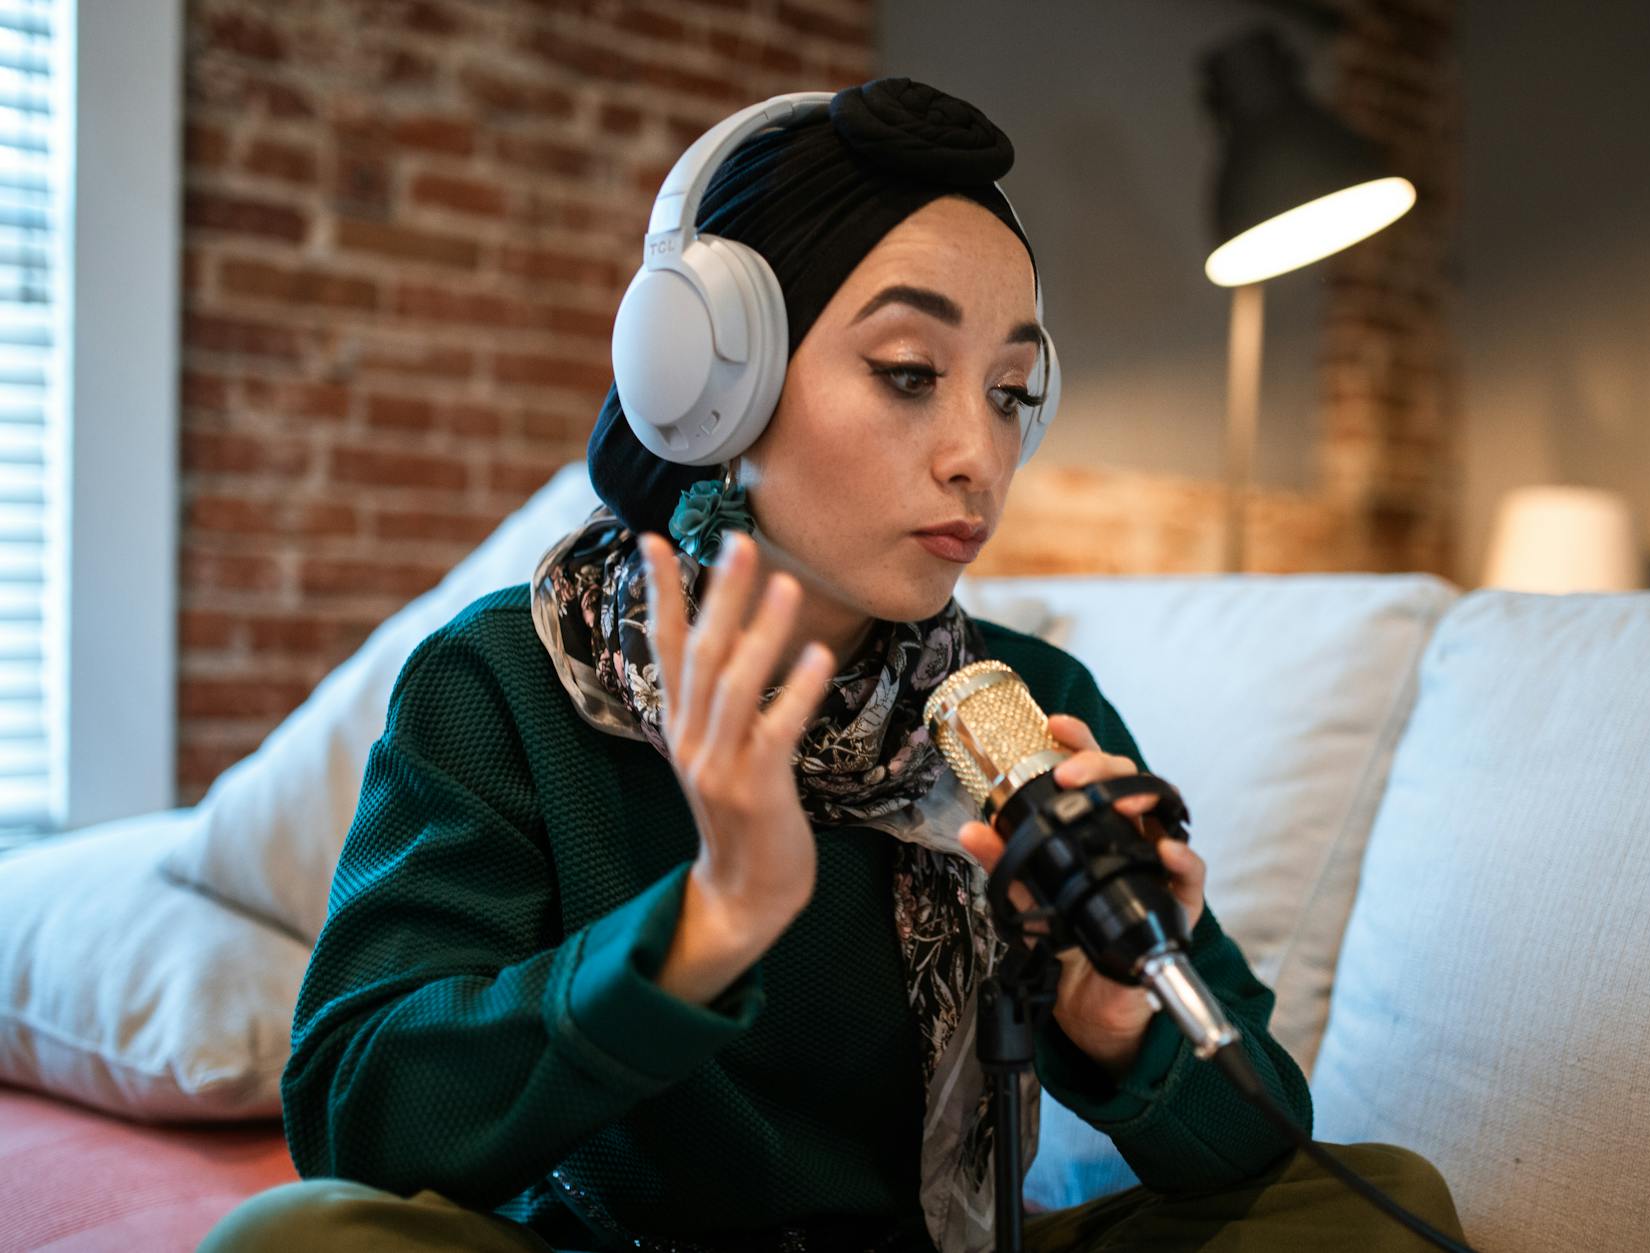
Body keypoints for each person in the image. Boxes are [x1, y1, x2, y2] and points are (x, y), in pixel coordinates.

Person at [198, 77, 1464, 1253]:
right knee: (289, 1243)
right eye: (910, 373)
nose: (978, 453)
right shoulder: (507, 684)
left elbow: (1256, 1125)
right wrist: (701, 930)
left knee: (1378, 1208)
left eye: (1012, 391)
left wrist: (1120, 1022)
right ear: (712, 381)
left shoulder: (1027, 708)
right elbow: (357, 1111)